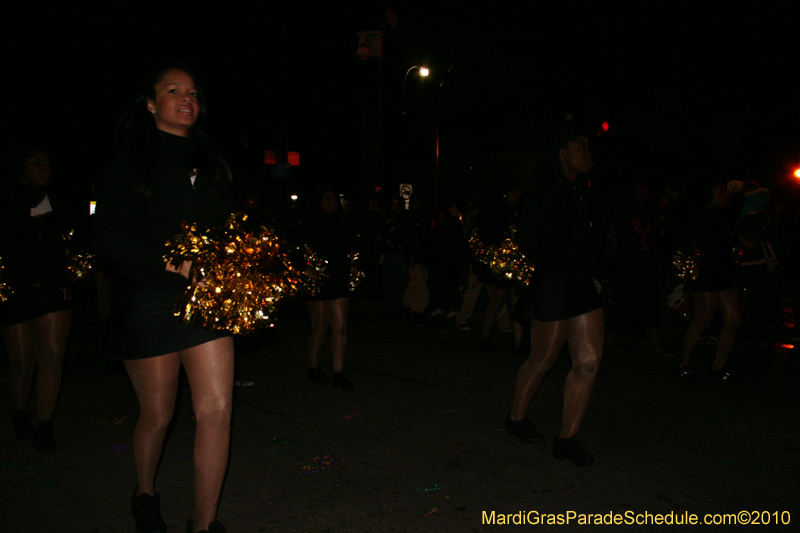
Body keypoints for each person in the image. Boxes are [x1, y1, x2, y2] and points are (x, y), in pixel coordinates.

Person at [94, 65, 233, 533]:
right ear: (151, 104)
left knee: (216, 409)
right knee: (157, 415)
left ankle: (205, 522)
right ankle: (145, 492)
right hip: (148, 300)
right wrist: (167, 262)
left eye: (193, 92)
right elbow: (107, 238)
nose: (186, 99)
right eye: (173, 91)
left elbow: (221, 231)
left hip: (203, 301)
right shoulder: (130, 159)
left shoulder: (212, 162)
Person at [506, 126, 605, 466]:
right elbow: (528, 239)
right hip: (552, 284)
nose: (588, 153)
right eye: (581, 147)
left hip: (581, 284)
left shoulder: (582, 191)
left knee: (588, 362)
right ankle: (516, 418)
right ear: (562, 153)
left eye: (589, 148)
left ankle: (567, 439)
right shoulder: (545, 191)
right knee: (543, 358)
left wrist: (593, 272)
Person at [0, 146, 73, 453]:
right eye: (36, 163)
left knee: (52, 357)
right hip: (15, 289)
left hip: (52, 288)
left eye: (47, 163)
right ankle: (19, 412)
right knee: (22, 360)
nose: (44, 168)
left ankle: (44, 424)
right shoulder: (7, 200)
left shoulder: (59, 199)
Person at [674, 179, 740, 380]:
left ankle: (718, 367)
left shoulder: (724, 214)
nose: (724, 194)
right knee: (702, 321)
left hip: (723, 273)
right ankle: (683, 364)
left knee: (733, 320)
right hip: (705, 274)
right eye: (720, 191)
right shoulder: (697, 215)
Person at [294, 187, 357, 390]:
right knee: (320, 327)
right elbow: (291, 248)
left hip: (339, 278)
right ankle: (314, 368)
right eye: (327, 198)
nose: (332, 201)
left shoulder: (344, 223)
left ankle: (338, 372)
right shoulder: (310, 222)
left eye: (335, 198)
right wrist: (305, 268)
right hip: (318, 279)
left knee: (340, 327)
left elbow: (353, 249)